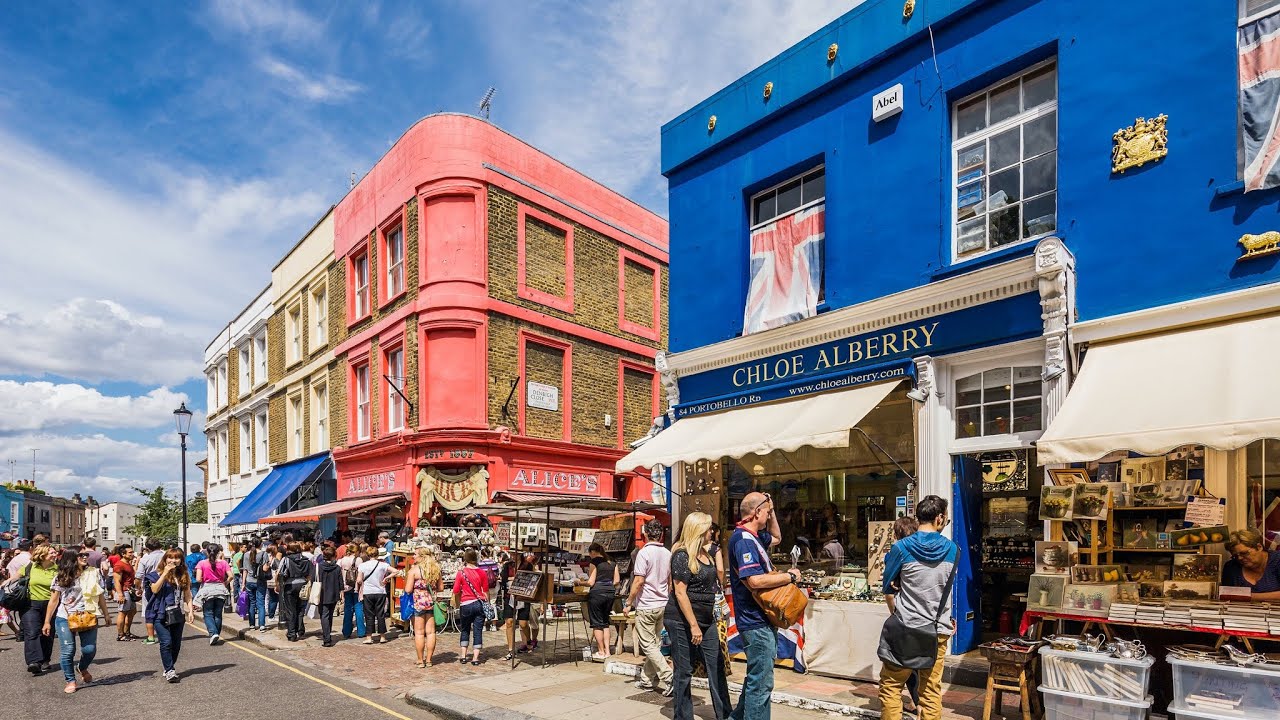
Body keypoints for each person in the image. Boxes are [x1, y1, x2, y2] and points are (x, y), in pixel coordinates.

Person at [877, 496, 958, 720]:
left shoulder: (901, 548)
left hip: (905, 628)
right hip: (937, 630)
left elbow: (888, 586)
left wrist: (899, 584)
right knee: (931, 691)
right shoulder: (953, 551)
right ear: (940, 518)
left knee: (891, 686)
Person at [729, 492, 796, 720]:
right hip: (755, 621)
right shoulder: (743, 541)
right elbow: (755, 581)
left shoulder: (754, 537)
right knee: (761, 684)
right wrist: (789, 577)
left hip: (760, 620)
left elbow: (777, 537)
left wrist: (773, 508)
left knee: (756, 677)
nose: (769, 516)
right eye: (767, 512)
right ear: (756, 512)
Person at [666, 512, 731, 720]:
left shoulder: (708, 554)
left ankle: (725, 714)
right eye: (708, 528)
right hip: (681, 619)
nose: (712, 531)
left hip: (707, 617)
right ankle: (683, 716)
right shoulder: (682, 555)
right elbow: (679, 592)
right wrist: (693, 625)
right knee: (684, 671)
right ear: (698, 530)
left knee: (717, 665)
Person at [43, 548, 105, 693]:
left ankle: (82, 667)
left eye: (86, 555)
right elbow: (53, 600)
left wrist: (106, 614)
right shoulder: (61, 576)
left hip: (88, 615)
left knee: (89, 650)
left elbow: (100, 595)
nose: (85, 557)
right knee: (68, 651)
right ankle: (70, 680)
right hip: (65, 617)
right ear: (72, 557)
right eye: (81, 555)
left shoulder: (93, 573)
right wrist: (47, 621)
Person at [623, 519, 673, 695]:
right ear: (661, 535)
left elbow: (638, 581)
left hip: (646, 605)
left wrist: (629, 602)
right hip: (662, 604)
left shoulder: (643, 554)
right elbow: (669, 582)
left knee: (648, 646)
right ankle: (646, 680)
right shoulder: (667, 553)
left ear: (645, 534)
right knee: (655, 643)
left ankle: (668, 676)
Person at [144, 548, 194, 683]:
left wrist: (190, 611)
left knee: (176, 645)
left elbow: (187, 594)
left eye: (177, 558)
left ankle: (168, 667)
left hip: (177, 614)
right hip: (160, 613)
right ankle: (170, 670)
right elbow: (154, 589)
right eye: (170, 558)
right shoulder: (155, 574)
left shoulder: (183, 574)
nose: (173, 560)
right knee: (166, 642)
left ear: (181, 560)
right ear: (165, 559)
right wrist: (165, 573)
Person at [575, 543, 619, 662]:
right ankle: (608, 652)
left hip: (597, 593)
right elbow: (616, 581)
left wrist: (579, 583)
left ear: (592, 552)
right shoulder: (612, 562)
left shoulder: (594, 562)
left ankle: (601, 651)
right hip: (610, 593)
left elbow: (590, 582)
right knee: (605, 622)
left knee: (597, 623)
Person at [20, 544, 58, 674]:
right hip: (30, 604)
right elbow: (15, 577)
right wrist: (4, 585)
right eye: (51, 553)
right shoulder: (30, 567)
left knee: (48, 633)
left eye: (55, 552)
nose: (55, 554)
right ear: (42, 555)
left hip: (51, 604)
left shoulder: (57, 570)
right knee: (32, 632)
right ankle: (34, 661)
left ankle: (45, 659)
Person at [406, 546, 443, 666]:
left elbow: (407, 589)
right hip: (431, 603)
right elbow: (441, 588)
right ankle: (429, 660)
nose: (413, 556)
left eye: (415, 554)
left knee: (419, 633)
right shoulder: (435, 569)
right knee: (431, 632)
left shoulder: (414, 571)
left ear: (421, 556)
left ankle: (420, 660)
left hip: (418, 604)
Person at [452, 548, 489, 665]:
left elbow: (456, 590)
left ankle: (463, 656)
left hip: (466, 604)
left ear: (465, 559)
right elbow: (486, 591)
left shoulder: (461, 573)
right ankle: (475, 658)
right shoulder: (482, 572)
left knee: (465, 629)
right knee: (478, 630)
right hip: (479, 603)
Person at [1222, 528, 1280, 600]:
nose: (1239, 558)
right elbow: (1227, 597)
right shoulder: (1231, 567)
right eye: (1235, 556)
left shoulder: (1277, 560)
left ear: (1259, 547)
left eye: (1244, 553)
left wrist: (1249, 597)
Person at [194, 544, 232, 644]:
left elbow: (198, 579)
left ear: (206, 551)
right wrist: (225, 583)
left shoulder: (201, 563)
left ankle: (213, 633)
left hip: (207, 589)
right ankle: (216, 633)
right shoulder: (224, 563)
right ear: (218, 552)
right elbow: (231, 576)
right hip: (220, 589)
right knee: (218, 614)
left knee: (208, 613)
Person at [357, 545, 395, 644]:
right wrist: (386, 578)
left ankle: (369, 637)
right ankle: (382, 636)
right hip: (380, 591)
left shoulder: (363, 565)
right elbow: (395, 571)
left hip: (367, 592)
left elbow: (359, 580)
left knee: (369, 615)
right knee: (380, 614)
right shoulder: (383, 565)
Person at [277, 542, 311, 642]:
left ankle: (292, 633)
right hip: (303, 585)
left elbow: (279, 573)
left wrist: (277, 584)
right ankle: (300, 630)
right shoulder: (305, 560)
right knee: (300, 609)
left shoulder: (286, 559)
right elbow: (309, 575)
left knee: (290, 610)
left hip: (290, 585)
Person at [315, 545, 345, 647]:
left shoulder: (319, 566)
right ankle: (328, 635)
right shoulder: (337, 568)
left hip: (321, 593)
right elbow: (340, 582)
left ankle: (326, 638)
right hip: (333, 593)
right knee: (330, 615)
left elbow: (314, 579)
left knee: (324, 615)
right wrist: (341, 592)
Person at [137, 538, 165, 645]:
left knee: (149, 611)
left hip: (149, 587)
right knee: (162, 610)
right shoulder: (166, 556)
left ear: (148, 548)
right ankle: (164, 634)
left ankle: (151, 637)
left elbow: (139, 575)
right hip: (164, 586)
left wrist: (138, 588)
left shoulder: (145, 559)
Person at [338, 542, 366, 639]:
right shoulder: (358, 560)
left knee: (347, 609)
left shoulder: (341, 560)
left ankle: (346, 631)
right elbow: (362, 572)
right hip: (356, 587)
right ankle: (361, 631)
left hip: (346, 586)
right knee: (359, 609)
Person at [112, 546, 138, 641]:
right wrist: (120, 594)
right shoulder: (119, 565)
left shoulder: (128, 563)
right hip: (124, 591)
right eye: (130, 552)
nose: (132, 554)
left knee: (132, 611)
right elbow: (116, 581)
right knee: (122, 613)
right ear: (123, 554)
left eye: (132, 552)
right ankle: (120, 635)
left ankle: (127, 632)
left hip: (130, 591)